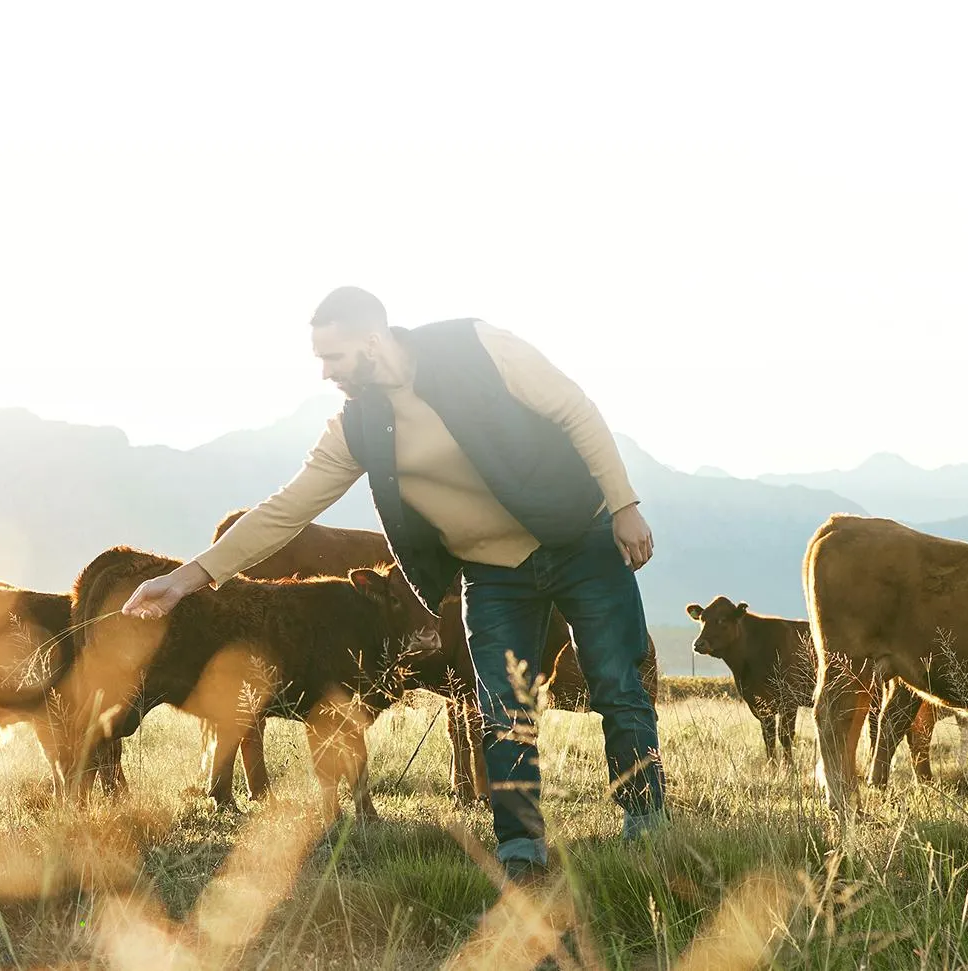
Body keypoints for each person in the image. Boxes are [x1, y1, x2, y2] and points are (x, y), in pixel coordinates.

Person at [120, 286, 664, 883]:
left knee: (616, 681)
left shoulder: (477, 345)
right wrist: (187, 578)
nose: (326, 373)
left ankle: (644, 825)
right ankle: (520, 848)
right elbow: (287, 510)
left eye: (335, 357)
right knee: (502, 705)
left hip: (580, 541)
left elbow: (573, 408)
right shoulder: (358, 428)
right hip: (492, 573)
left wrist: (624, 504)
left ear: (373, 343)